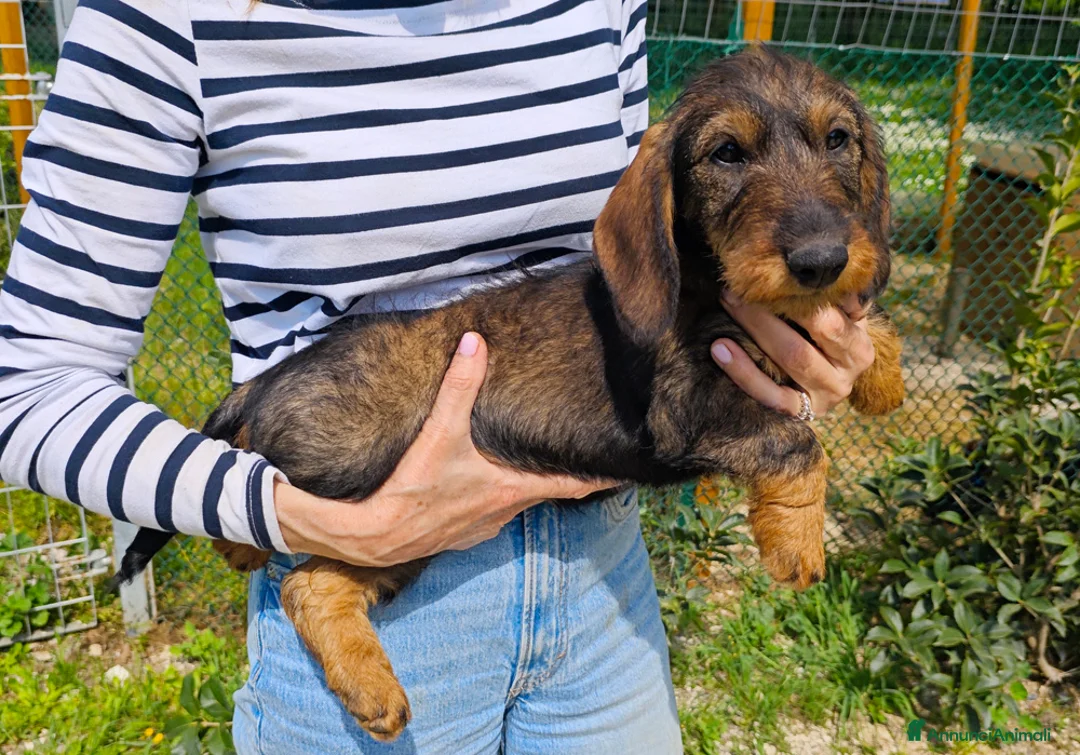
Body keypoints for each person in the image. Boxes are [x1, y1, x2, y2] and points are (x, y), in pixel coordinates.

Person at [0, 0, 875, 752]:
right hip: (377, 573)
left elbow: (654, 256)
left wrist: (820, 342)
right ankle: (325, 593)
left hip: (602, 582)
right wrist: (284, 512)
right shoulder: (166, 19)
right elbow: (26, 390)